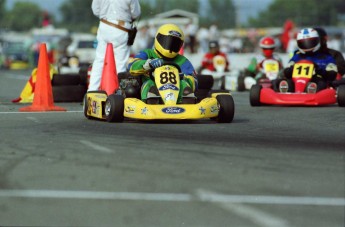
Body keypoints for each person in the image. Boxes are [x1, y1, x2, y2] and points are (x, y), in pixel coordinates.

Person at [127, 23, 198, 104]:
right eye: (167, 41)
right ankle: (152, 99)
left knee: (184, 83)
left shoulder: (182, 60)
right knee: (149, 84)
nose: (170, 45)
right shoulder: (147, 53)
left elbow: (194, 80)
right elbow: (132, 66)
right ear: (158, 39)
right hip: (152, 86)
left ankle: (186, 99)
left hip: (176, 93)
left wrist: (182, 77)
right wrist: (148, 64)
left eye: (175, 43)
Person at [88, 0, 141, 92]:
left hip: (104, 25)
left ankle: (92, 90)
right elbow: (136, 13)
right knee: (120, 63)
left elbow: (95, 10)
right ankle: (118, 91)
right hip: (121, 28)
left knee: (99, 60)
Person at [280, 28, 338, 93]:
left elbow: (332, 74)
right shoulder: (296, 57)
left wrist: (318, 70)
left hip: (317, 80)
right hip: (297, 81)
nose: (307, 46)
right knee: (288, 81)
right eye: (303, 43)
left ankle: (312, 90)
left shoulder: (326, 57)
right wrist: (291, 69)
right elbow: (286, 72)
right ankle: (287, 91)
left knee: (320, 82)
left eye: (310, 42)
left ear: (317, 41)